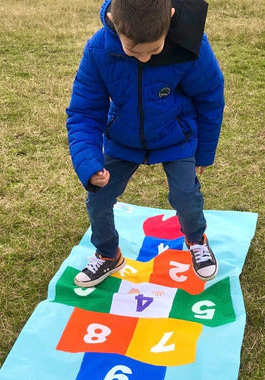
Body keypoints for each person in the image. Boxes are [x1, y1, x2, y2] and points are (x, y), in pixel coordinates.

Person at [67, 0, 225, 288]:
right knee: (98, 198)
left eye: (154, 50)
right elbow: (84, 112)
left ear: (170, 17)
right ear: (114, 21)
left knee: (185, 197)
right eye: (133, 50)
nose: (144, 58)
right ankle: (108, 255)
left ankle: (196, 239)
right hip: (122, 140)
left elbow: (210, 95)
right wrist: (89, 164)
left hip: (175, 138)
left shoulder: (191, 45)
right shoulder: (98, 50)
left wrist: (204, 152)